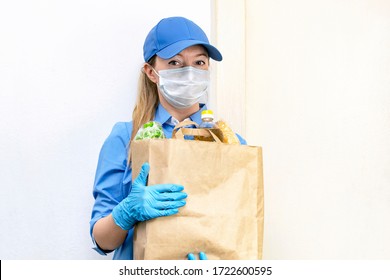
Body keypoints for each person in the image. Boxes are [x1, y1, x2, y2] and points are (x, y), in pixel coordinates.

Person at [89, 16, 246, 260]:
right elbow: (102, 240)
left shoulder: (230, 144)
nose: (190, 73)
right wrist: (126, 212)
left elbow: (240, 224)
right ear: (151, 73)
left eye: (199, 62)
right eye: (175, 62)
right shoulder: (125, 138)